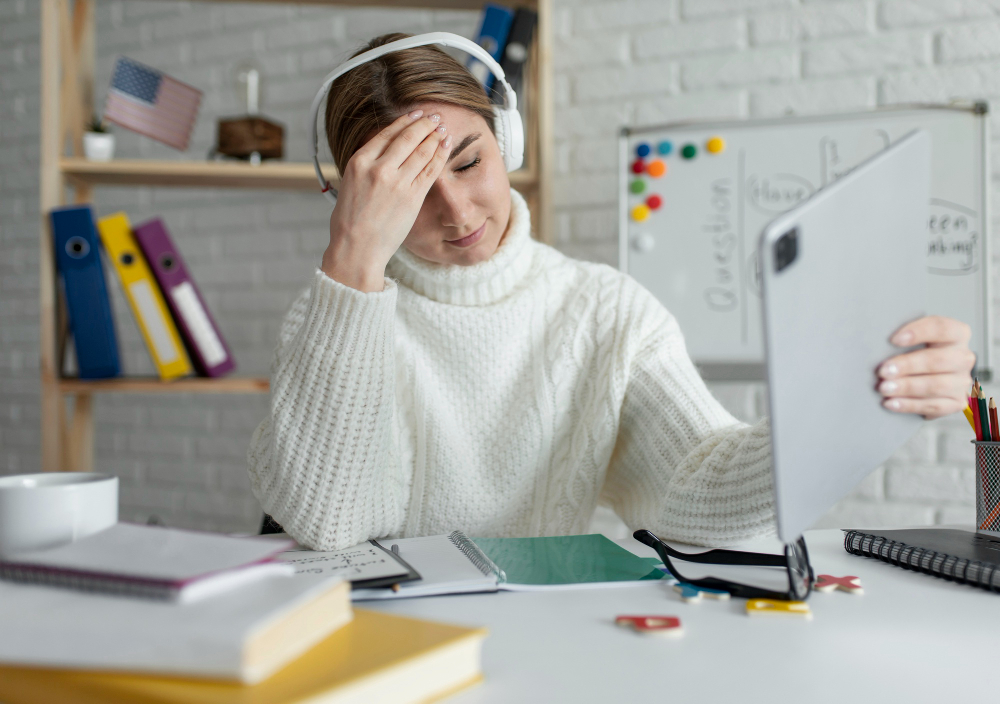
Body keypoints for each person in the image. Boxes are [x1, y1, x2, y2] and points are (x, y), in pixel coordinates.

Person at [247, 34, 975, 552]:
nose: (459, 213)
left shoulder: (604, 310)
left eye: (469, 163)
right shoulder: (335, 314)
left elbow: (701, 492)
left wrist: (856, 397)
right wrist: (352, 258)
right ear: (355, 199)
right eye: (409, 193)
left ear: (510, 144)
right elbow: (325, 525)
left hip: (551, 652)